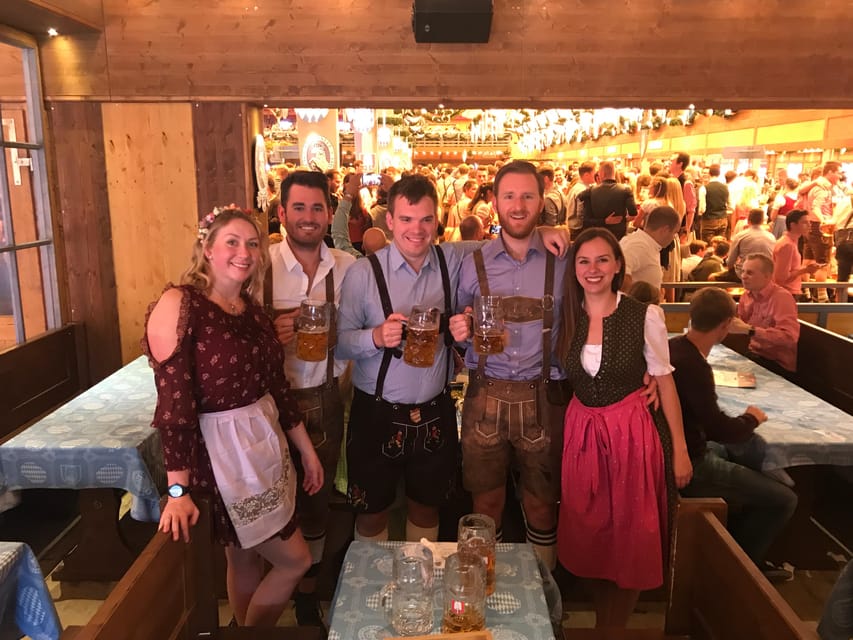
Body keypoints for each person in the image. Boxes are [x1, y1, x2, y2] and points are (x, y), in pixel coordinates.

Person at [336, 173, 569, 545]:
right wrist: (375, 337)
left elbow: (509, 239)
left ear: (437, 221)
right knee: (371, 511)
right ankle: (372, 592)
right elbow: (339, 344)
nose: (417, 229)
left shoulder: (454, 257)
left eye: (426, 219)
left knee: (427, 509)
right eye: (407, 219)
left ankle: (422, 587)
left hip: (434, 410)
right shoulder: (363, 273)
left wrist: (543, 228)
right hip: (376, 411)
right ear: (390, 221)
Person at [143, 205, 322, 627]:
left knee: (244, 560)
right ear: (206, 248)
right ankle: (253, 635)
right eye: (232, 242)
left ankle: (242, 630)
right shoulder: (180, 304)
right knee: (296, 560)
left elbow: (277, 390)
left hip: (262, 446)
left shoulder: (251, 310)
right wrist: (177, 492)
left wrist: (308, 452)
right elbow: (174, 405)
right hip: (222, 457)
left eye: (253, 244)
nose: (244, 252)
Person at [557, 228, 692, 629]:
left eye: (602, 260)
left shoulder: (642, 314)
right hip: (583, 433)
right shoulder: (567, 314)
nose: (593, 269)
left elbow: (664, 381)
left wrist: (680, 451)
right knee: (594, 535)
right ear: (574, 268)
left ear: (618, 265)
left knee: (631, 535)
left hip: (630, 433)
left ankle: (614, 630)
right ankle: (603, 623)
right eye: (584, 261)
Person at [456, 160, 570, 570]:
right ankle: (490, 588)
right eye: (509, 196)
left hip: (545, 396)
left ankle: (544, 592)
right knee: (486, 507)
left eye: (527, 196)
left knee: (543, 506)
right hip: (485, 394)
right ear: (495, 201)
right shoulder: (472, 261)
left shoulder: (566, 256)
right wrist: (461, 327)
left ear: (542, 201)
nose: (518, 206)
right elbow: (459, 318)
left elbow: (608, 291)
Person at [268, 171, 356, 629]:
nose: (308, 217)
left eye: (317, 208)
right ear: (281, 213)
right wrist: (268, 330)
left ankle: (306, 592)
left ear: (329, 213)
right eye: (298, 208)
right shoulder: (256, 265)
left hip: (324, 399)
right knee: (271, 503)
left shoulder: (348, 266)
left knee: (316, 503)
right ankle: (270, 589)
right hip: (264, 408)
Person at [669, 288, 797, 580]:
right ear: (727, 324)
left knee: (734, 454)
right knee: (784, 499)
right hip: (691, 462)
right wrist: (751, 419)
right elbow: (720, 430)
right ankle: (739, 570)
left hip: (681, 447)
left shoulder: (676, 347)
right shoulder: (695, 365)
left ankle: (728, 544)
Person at [730, 254, 800, 373]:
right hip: (754, 356)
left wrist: (751, 330)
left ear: (767, 276)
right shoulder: (746, 296)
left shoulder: (781, 298)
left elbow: (790, 338)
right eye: (743, 272)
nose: (743, 276)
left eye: (750, 273)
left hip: (777, 364)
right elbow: (741, 329)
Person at [773, 209, 819, 300]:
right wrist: (805, 270)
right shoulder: (787, 245)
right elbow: (781, 278)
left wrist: (806, 269)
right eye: (804, 223)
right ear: (793, 225)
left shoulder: (790, 242)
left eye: (809, 222)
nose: (809, 225)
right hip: (786, 293)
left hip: (787, 292)